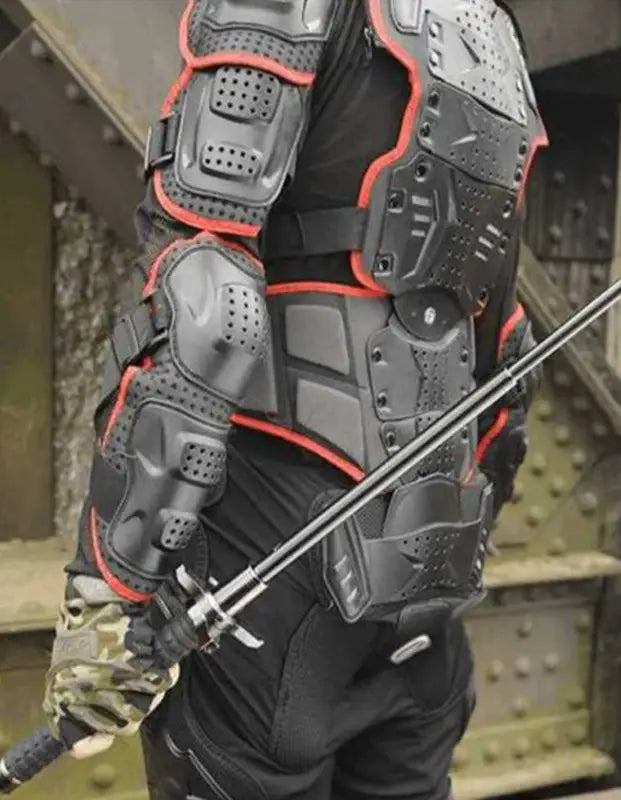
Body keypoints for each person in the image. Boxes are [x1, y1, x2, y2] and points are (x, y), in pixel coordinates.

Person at [41, 1, 547, 798]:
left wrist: (111, 594)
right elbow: (502, 348)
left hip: (270, 578)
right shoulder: (490, 34)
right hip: (425, 560)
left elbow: (207, 312)